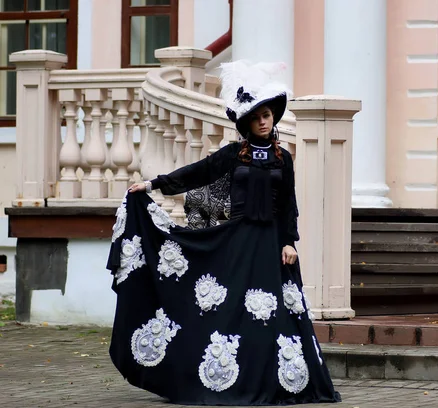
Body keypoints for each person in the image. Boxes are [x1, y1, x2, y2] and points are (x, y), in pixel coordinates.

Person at [107, 61, 341, 405]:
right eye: (257, 116)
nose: (265, 120)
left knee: (274, 315)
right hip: (237, 241)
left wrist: (290, 240)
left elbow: (288, 204)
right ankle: (223, 378)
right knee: (229, 310)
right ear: (247, 122)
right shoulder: (234, 154)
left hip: (272, 246)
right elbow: (198, 172)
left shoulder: (283, 159)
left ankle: (278, 383)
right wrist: (154, 184)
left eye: (268, 114)